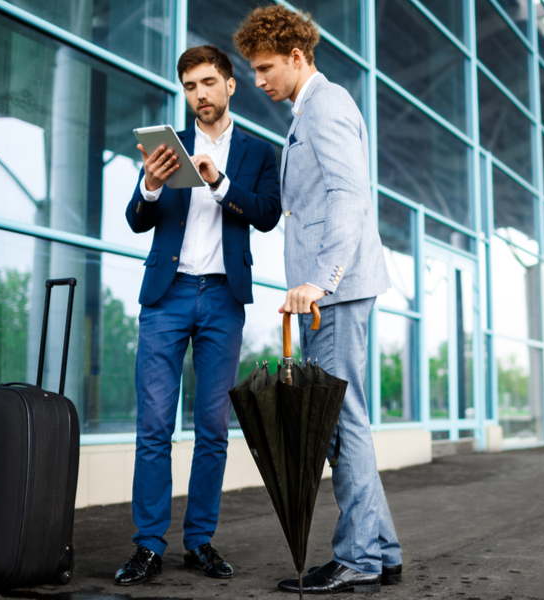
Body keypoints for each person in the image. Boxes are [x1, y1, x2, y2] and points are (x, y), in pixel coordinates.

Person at [234, 7, 403, 595]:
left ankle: (357, 556)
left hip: (334, 291)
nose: (257, 80)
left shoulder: (325, 107)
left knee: (337, 423)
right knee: (345, 419)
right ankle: (380, 551)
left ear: (297, 58)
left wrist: (321, 281)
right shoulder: (309, 109)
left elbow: (348, 197)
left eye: (263, 68)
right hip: (333, 292)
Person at [116, 44, 281, 586]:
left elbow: (268, 214)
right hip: (166, 296)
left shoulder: (257, 153)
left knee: (212, 428)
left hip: (222, 298)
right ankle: (147, 546)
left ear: (230, 85)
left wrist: (220, 182)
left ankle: (200, 542)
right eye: (190, 86)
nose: (199, 95)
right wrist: (152, 184)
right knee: (155, 426)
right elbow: (137, 218)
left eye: (208, 83)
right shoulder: (171, 148)